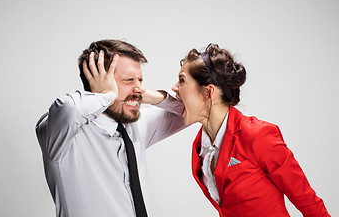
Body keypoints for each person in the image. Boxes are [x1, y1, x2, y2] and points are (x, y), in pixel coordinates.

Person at [171, 43, 330, 217]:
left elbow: (307, 202)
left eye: (181, 80)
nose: (174, 88)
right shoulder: (201, 147)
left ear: (208, 92)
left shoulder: (258, 135)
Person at [35, 39, 185, 217]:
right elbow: (67, 108)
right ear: (98, 83)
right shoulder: (62, 134)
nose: (140, 88)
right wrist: (107, 96)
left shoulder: (137, 125)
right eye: (129, 80)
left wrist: (141, 94)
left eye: (141, 80)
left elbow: (190, 108)